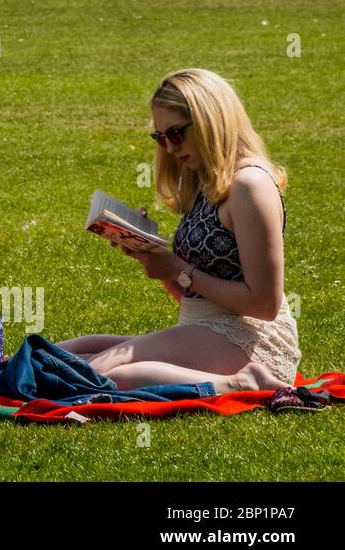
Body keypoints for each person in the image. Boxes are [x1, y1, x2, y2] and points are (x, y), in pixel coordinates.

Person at [55, 68, 299, 394]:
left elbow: (263, 304)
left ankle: (241, 383)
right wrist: (151, 257)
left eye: (176, 134)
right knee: (70, 353)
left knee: (95, 375)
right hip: (204, 328)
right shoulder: (205, 180)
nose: (169, 148)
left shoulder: (249, 185)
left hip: (252, 341)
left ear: (211, 121)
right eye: (161, 137)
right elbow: (192, 294)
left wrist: (178, 268)